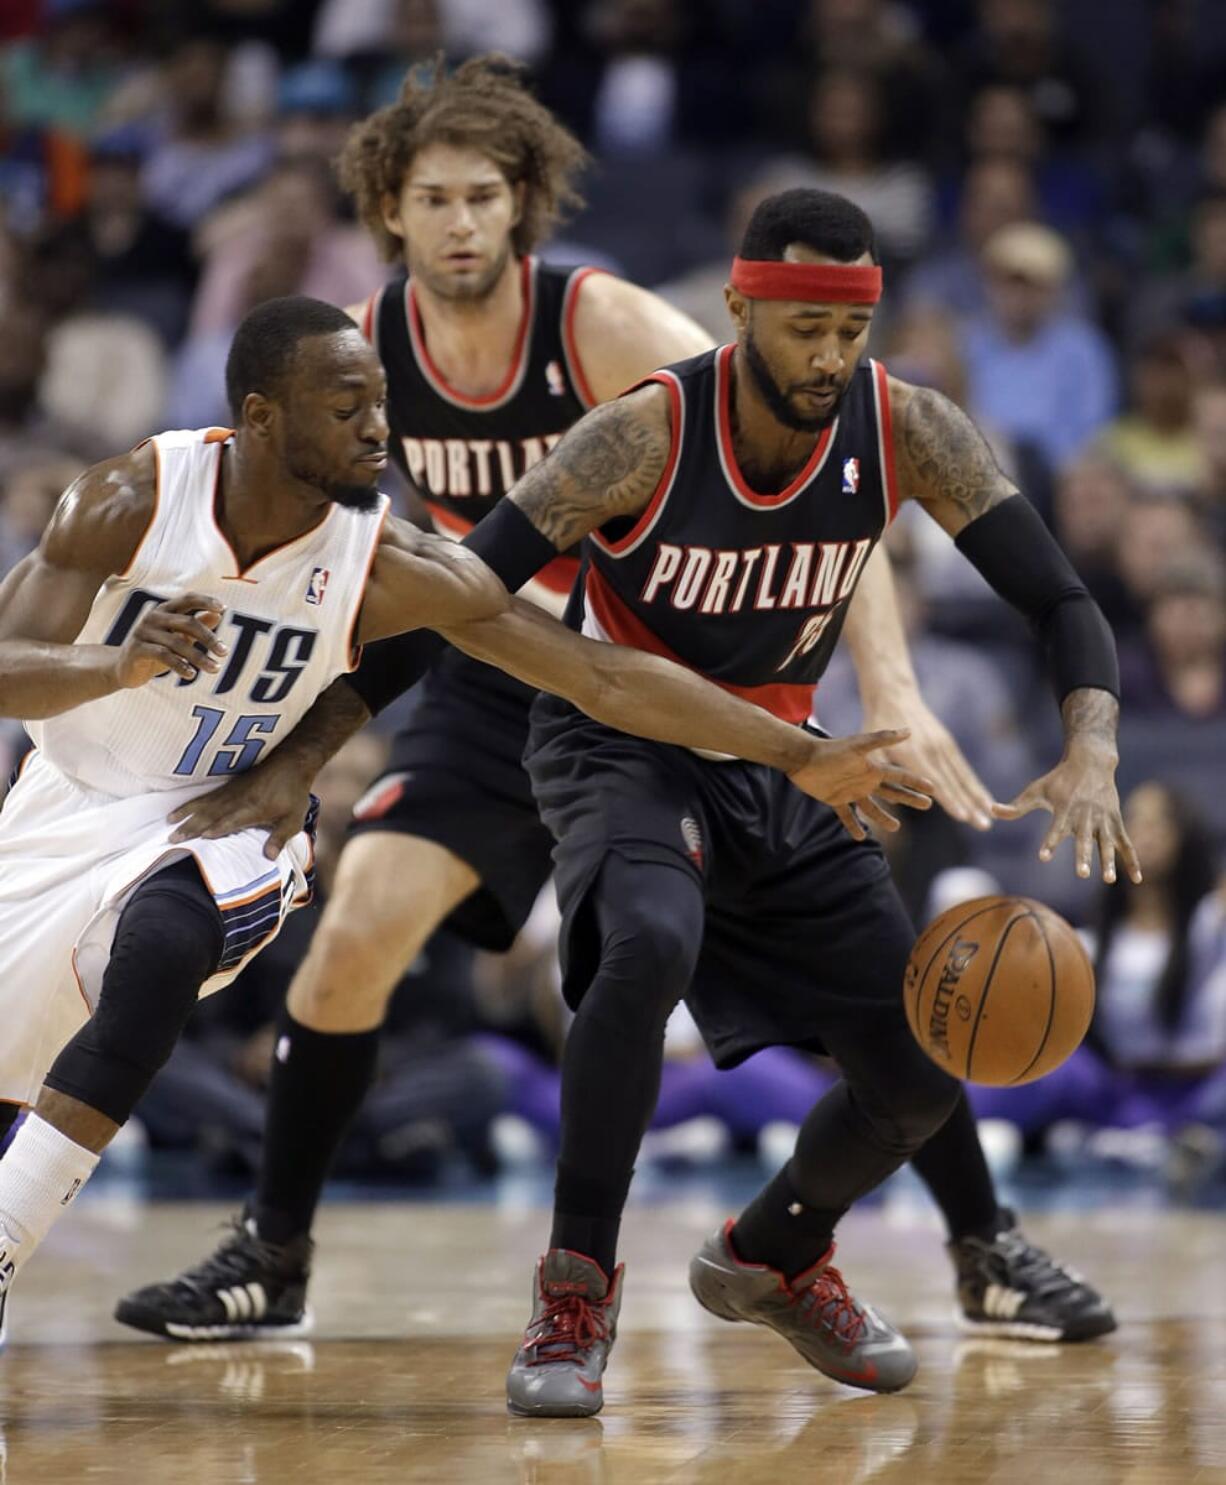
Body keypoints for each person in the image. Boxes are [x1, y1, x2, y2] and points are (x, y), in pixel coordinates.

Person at [118, 60, 1117, 1357]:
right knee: (359, 918)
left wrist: (896, 690)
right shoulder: (362, 362)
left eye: (487, 195)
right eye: (436, 198)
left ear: (526, 206)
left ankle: (975, 1243)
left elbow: (827, 506)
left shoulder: (619, 334)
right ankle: (275, 1250)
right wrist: (305, 739)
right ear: (390, 211)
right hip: (509, 673)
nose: (463, 221)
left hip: (683, 677)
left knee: (902, 1005)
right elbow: (402, 581)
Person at [0, 291, 931, 1347]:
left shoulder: (387, 563)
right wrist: (108, 664)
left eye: (382, 403)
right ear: (261, 419)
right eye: (345, 407)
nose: (378, 431)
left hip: (226, 823)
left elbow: (600, 676)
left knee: (166, 943)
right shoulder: (130, 499)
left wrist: (796, 751)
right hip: (67, 807)